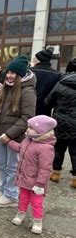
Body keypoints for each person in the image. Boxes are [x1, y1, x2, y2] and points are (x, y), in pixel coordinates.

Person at [0, 55, 36, 208]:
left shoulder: (27, 91)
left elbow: (27, 117)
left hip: (15, 136)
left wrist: (10, 134)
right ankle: (3, 189)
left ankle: (11, 194)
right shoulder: (8, 88)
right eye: (8, 72)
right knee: (1, 164)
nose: (9, 75)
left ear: (20, 75)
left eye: (13, 73)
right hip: (2, 134)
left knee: (13, 166)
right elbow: (0, 110)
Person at [5, 115, 56, 234]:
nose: (28, 130)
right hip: (24, 178)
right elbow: (19, 148)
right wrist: (8, 141)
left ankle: (38, 220)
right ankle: (21, 213)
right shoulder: (27, 140)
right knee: (22, 198)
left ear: (41, 131)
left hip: (36, 183)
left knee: (36, 202)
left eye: (31, 128)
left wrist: (40, 184)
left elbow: (45, 168)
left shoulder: (46, 148)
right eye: (28, 127)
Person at [45, 58, 76, 188]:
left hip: (60, 121)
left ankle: (56, 173)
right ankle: (75, 179)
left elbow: (48, 102)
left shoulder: (60, 83)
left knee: (58, 148)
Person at [30, 48, 61, 116]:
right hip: (46, 109)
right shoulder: (57, 74)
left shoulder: (30, 72)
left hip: (30, 106)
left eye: (34, 59)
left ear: (38, 60)